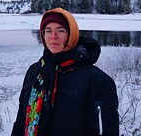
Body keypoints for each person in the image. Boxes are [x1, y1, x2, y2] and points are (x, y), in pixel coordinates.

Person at [11, 8, 119, 136]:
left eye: (60, 30)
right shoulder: (35, 71)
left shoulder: (97, 80)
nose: (53, 36)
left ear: (71, 34)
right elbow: (21, 121)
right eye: (48, 31)